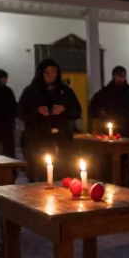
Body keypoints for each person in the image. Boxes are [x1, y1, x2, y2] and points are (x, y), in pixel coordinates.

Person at [18, 58, 82, 186]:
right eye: (47, 73)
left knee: (62, 171)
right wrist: (36, 110)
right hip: (37, 138)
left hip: (61, 138)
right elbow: (20, 112)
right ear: (41, 73)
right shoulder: (31, 91)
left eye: (54, 72)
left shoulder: (66, 91)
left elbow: (77, 111)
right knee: (39, 174)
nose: (51, 76)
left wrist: (64, 108)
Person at [90, 66, 129, 182]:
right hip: (109, 131)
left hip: (126, 130)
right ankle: (110, 180)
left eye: (123, 76)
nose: (121, 79)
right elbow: (93, 109)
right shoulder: (105, 92)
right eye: (119, 76)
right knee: (109, 159)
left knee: (124, 159)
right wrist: (102, 116)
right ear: (114, 77)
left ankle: (123, 181)